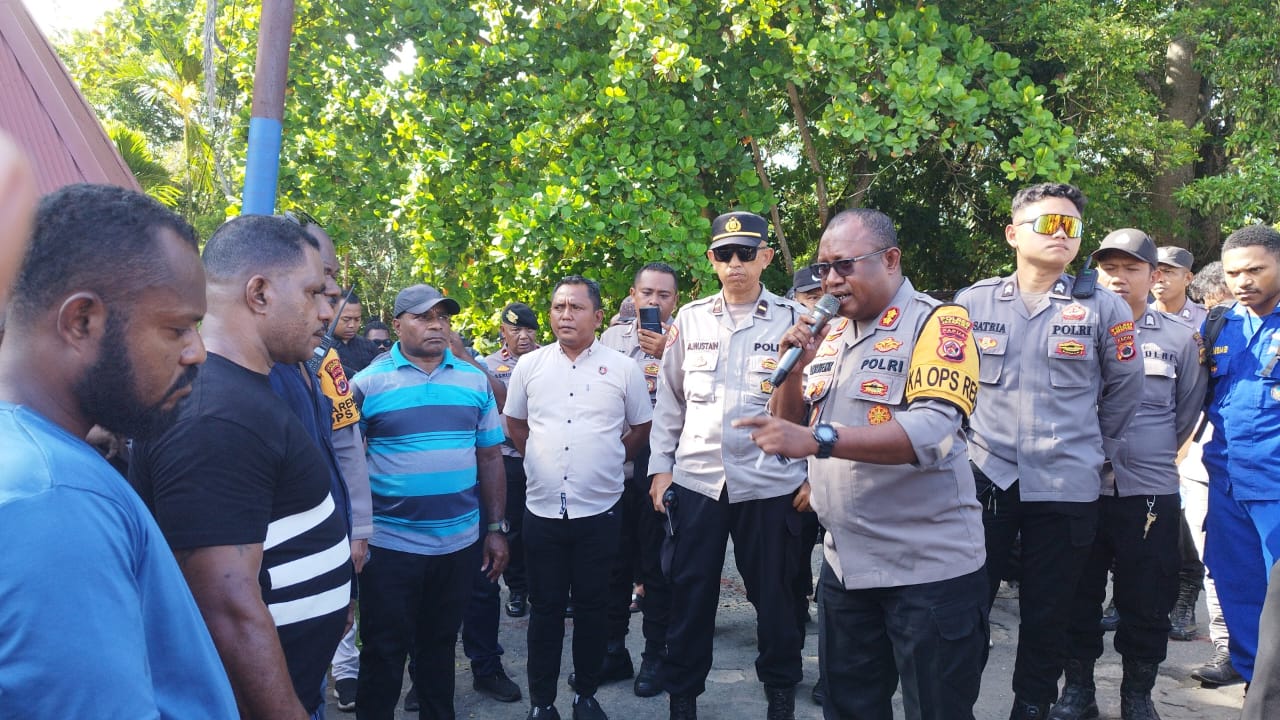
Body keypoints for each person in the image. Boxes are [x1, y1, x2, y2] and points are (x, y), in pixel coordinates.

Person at [738, 208, 989, 720]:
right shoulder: (830, 333)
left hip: (927, 571)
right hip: (846, 567)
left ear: (890, 259)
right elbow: (788, 429)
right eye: (823, 267)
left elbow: (932, 432)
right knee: (849, 708)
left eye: (844, 265)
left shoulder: (939, 323)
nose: (830, 279)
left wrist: (819, 440)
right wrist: (794, 371)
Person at [0, 184, 237, 718]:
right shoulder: (52, 499)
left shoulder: (39, 464)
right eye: (177, 328)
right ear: (81, 321)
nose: (197, 352)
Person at [130, 214, 353, 720]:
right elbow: (224, 609)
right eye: (313, 292)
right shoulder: (215, 415)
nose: (327, 311)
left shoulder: (245, 392)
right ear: (259, 293)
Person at [953, 183, 1144, 719]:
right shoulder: (973, 302)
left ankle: (1032, 706)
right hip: (985, 475)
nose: (1061, 234)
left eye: (1071, 226)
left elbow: (1125, 390)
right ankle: (954, 703)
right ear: (1013, 234)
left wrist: (1093, 450)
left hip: (1065, 483)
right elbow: (949, 385)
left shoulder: (1104, 307)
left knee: (1049, 613)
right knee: (964, 605)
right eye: (1048, 223)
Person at [649, 211, 809, 720]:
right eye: (724, 253)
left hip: (770, 482)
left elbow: (818, 403)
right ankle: (683, 698)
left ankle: (780, 692)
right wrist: (660, 468)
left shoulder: (793, 320)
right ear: (712, 260)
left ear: (766, 257)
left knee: (776, 597)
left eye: (746, 252)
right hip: (698, 481)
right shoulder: (691, 319)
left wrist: (813, 474)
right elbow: (670, 401)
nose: (735, 262)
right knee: (689, 595)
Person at [1055, 229, 1206, 720]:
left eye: (1131, 268)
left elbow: (1186, 414)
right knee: (1077, 594)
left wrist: (1147, 453)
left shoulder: (1181, 339)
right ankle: (1078, 690)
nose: (1118, 278)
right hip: (1080, 485)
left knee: (1147, 598)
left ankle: (1137, 696)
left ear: (1153, 275)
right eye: (1109, 268)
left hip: (1148, 489)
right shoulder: (1071, 328)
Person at [348, 283, 510, 720]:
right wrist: (355, 534)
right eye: (423, 317)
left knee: (439, 649)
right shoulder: (367, 383)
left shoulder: (473, 381)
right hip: (390, 547)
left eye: (442, 317)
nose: (436, 325)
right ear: (397, 324)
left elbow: (490, 456)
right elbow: (347, 463)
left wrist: (495, 529)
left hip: (457, 545)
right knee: (383, 651)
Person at [505, 275, 653, 720]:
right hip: (542, 510)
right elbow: (516, 425)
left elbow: (641, 427)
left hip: (600, 510)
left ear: (598, 316)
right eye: (558, 307)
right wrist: (542, 461)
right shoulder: (530, 366)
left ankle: (586, 695)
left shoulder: (623, 368)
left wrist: (607, 459)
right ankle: (542, 703)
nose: (565, 315)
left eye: (575, 307)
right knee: (545, 609)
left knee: (594, 607)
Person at [274, 212, 374, 714]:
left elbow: (347, 445)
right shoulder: (224, 375)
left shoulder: (324, 362)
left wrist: (358, 529)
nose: (333, 297)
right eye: (321, 281)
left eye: (332, 281)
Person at [1201, 224, 1280, 688]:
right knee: (1236, 584)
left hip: (1275, 486)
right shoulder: (1219, 324)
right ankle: (1256, 687)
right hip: (1227, 481)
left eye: (1255, 270)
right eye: (1233, 273)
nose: (1243, 281)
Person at [598, 262, 680, 697]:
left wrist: (669, 352)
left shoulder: (688, 338)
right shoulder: (610, 340)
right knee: (613, 564)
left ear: (675, 300)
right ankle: (613, 650)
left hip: (662, 471)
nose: (654, 301)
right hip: (616, 468)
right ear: (632, 295)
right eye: (647, 293)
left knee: (657, 566)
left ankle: (655, 656)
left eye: (663, 295)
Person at [1176, 262, 1243, 686]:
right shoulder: (1211, 331)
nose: (1218, 312)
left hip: (1266, 473)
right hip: (1208, 467)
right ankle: (1230, 650)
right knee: (1217, 565)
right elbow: (1192, 397)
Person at [484, 302, 541, 618]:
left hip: (544, 457)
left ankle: (549, 586)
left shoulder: (551, 359)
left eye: (529, 329)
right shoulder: (488, 366)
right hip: (508, 458)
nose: (523, 336)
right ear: (503, 332)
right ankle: (518, 588)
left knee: (547, 524)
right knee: (513, 526)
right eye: (516, 329)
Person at [1154, 246, 1207, 330]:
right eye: (1155, 272)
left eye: (1168, 272)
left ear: (1187, 278)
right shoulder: (1137, 316)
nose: (1159, 279)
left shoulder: (1206, 318)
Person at [334, 289, 381, 376]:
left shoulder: (369, 346)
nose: (352, 325)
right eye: (346, 319)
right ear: (331, 315)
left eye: (357, 319)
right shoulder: (319, 345)